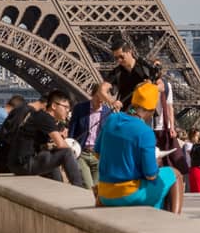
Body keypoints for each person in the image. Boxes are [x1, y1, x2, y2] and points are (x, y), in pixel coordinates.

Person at [95, 81, 183, 213]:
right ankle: (175, 219)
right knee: (175, 174)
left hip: (104, 193)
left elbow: (98, 153)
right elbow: (150, 175)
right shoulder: (145, 131)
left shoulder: (112, 119)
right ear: (152, 111)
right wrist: (155, 162)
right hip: (128, 194)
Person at [12, 90, 89, 189]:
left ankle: (59, 187)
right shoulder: (46, 118)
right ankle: (79, 187)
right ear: (54, 106)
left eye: (69, 108)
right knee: (67, 152)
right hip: (24, 164)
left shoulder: (40, 115)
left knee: (53, 156)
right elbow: (62, 145)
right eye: (65, 107)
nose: (68, 111)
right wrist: (74, 150)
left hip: (19, 164)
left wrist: (58, 138)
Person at [68, 80, 117, 187]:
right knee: (88, 187)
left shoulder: (109, 113)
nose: (100, 100)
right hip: (82, 153)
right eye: (97, 96)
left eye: (103, 98)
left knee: (97, 189)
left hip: (98, 155)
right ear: (92, 95)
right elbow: (72, 131)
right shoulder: (80, 109)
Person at [111, 40, 161, 108]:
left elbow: (161, 86)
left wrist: (148, 87)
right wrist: (112, 102)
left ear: (130, 52)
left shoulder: (144, 65)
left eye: (121, 56)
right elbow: (102, 89)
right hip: (128, 111)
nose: (119, 60)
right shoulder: (117, 71)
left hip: (144, 110)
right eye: (116, 58)